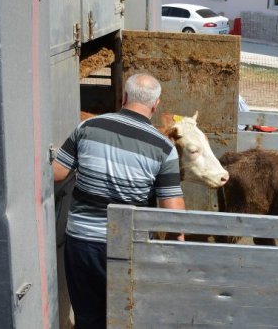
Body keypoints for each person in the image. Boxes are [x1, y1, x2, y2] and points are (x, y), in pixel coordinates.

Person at [52, 73, 186, 329]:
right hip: (127, 247)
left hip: (82, 243)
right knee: (127, 317)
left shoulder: (88, 128)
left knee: (88, 318)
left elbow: (57, 174)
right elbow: (173, 215)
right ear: (156, 105)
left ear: (124, 97)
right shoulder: (163, 148)